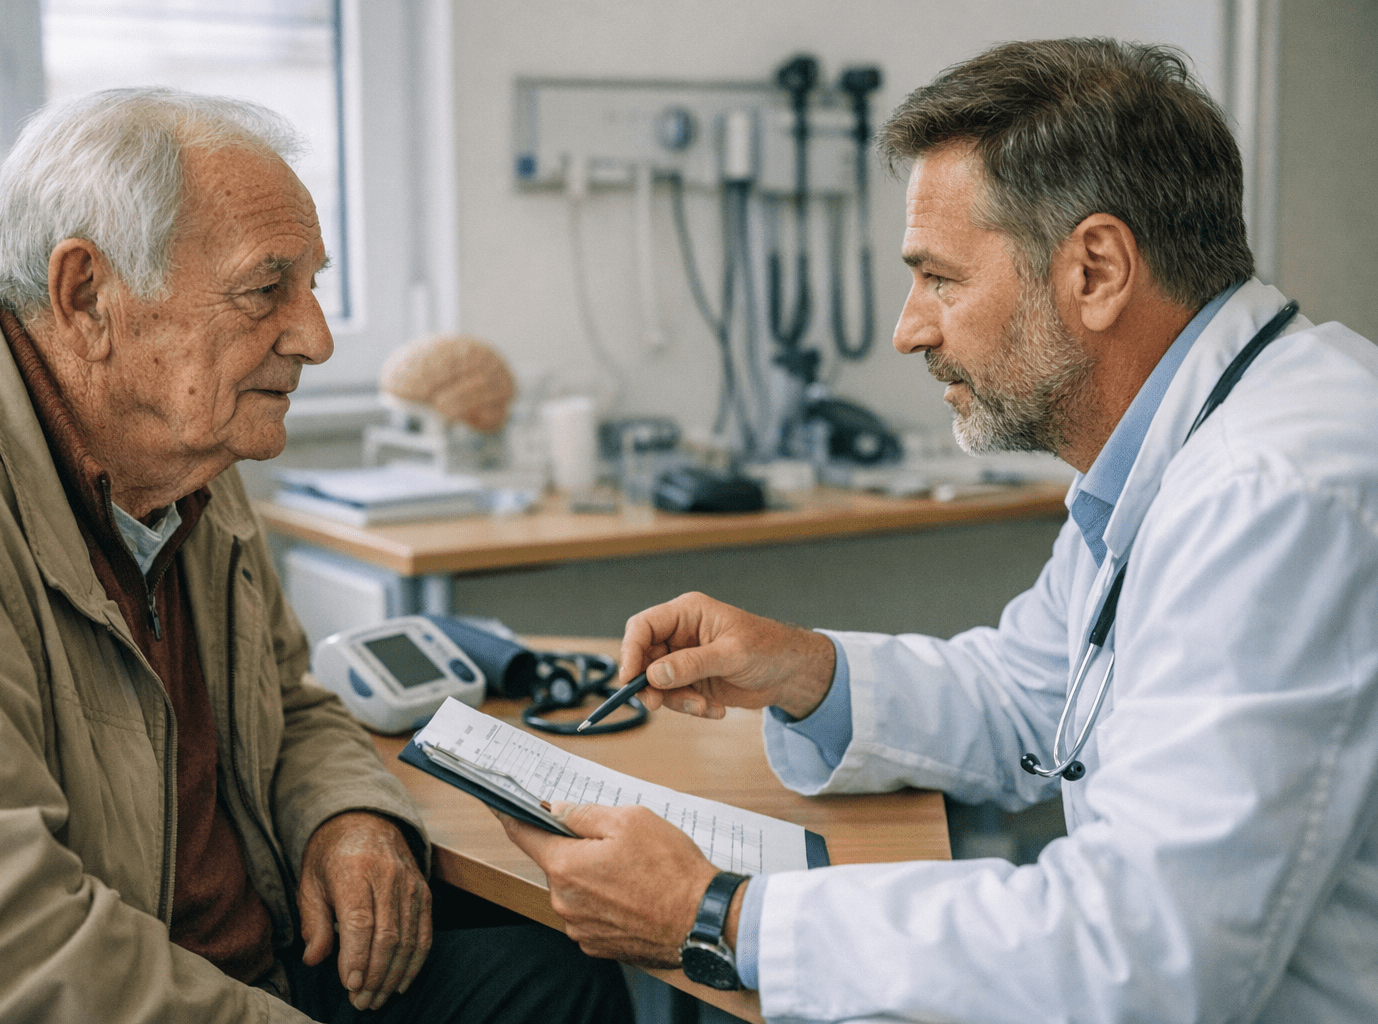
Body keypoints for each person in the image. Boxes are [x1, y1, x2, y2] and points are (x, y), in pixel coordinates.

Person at [499, 37, 1378, 1023]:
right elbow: (1028, 699)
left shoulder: (1274, 494)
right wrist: (807, 672)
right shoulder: (1188, 441)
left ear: (1095, 268)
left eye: (941, 278)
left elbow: (1143, 955)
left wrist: (720, 915)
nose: (908, 329)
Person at [0, 88, 629, 1023]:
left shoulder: (185, 444)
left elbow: (288, 700)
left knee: (561, 981)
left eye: (315, 286)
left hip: (251, 968)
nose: (318, 338)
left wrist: (348, 817)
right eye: (267, 289)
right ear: (87, 295)